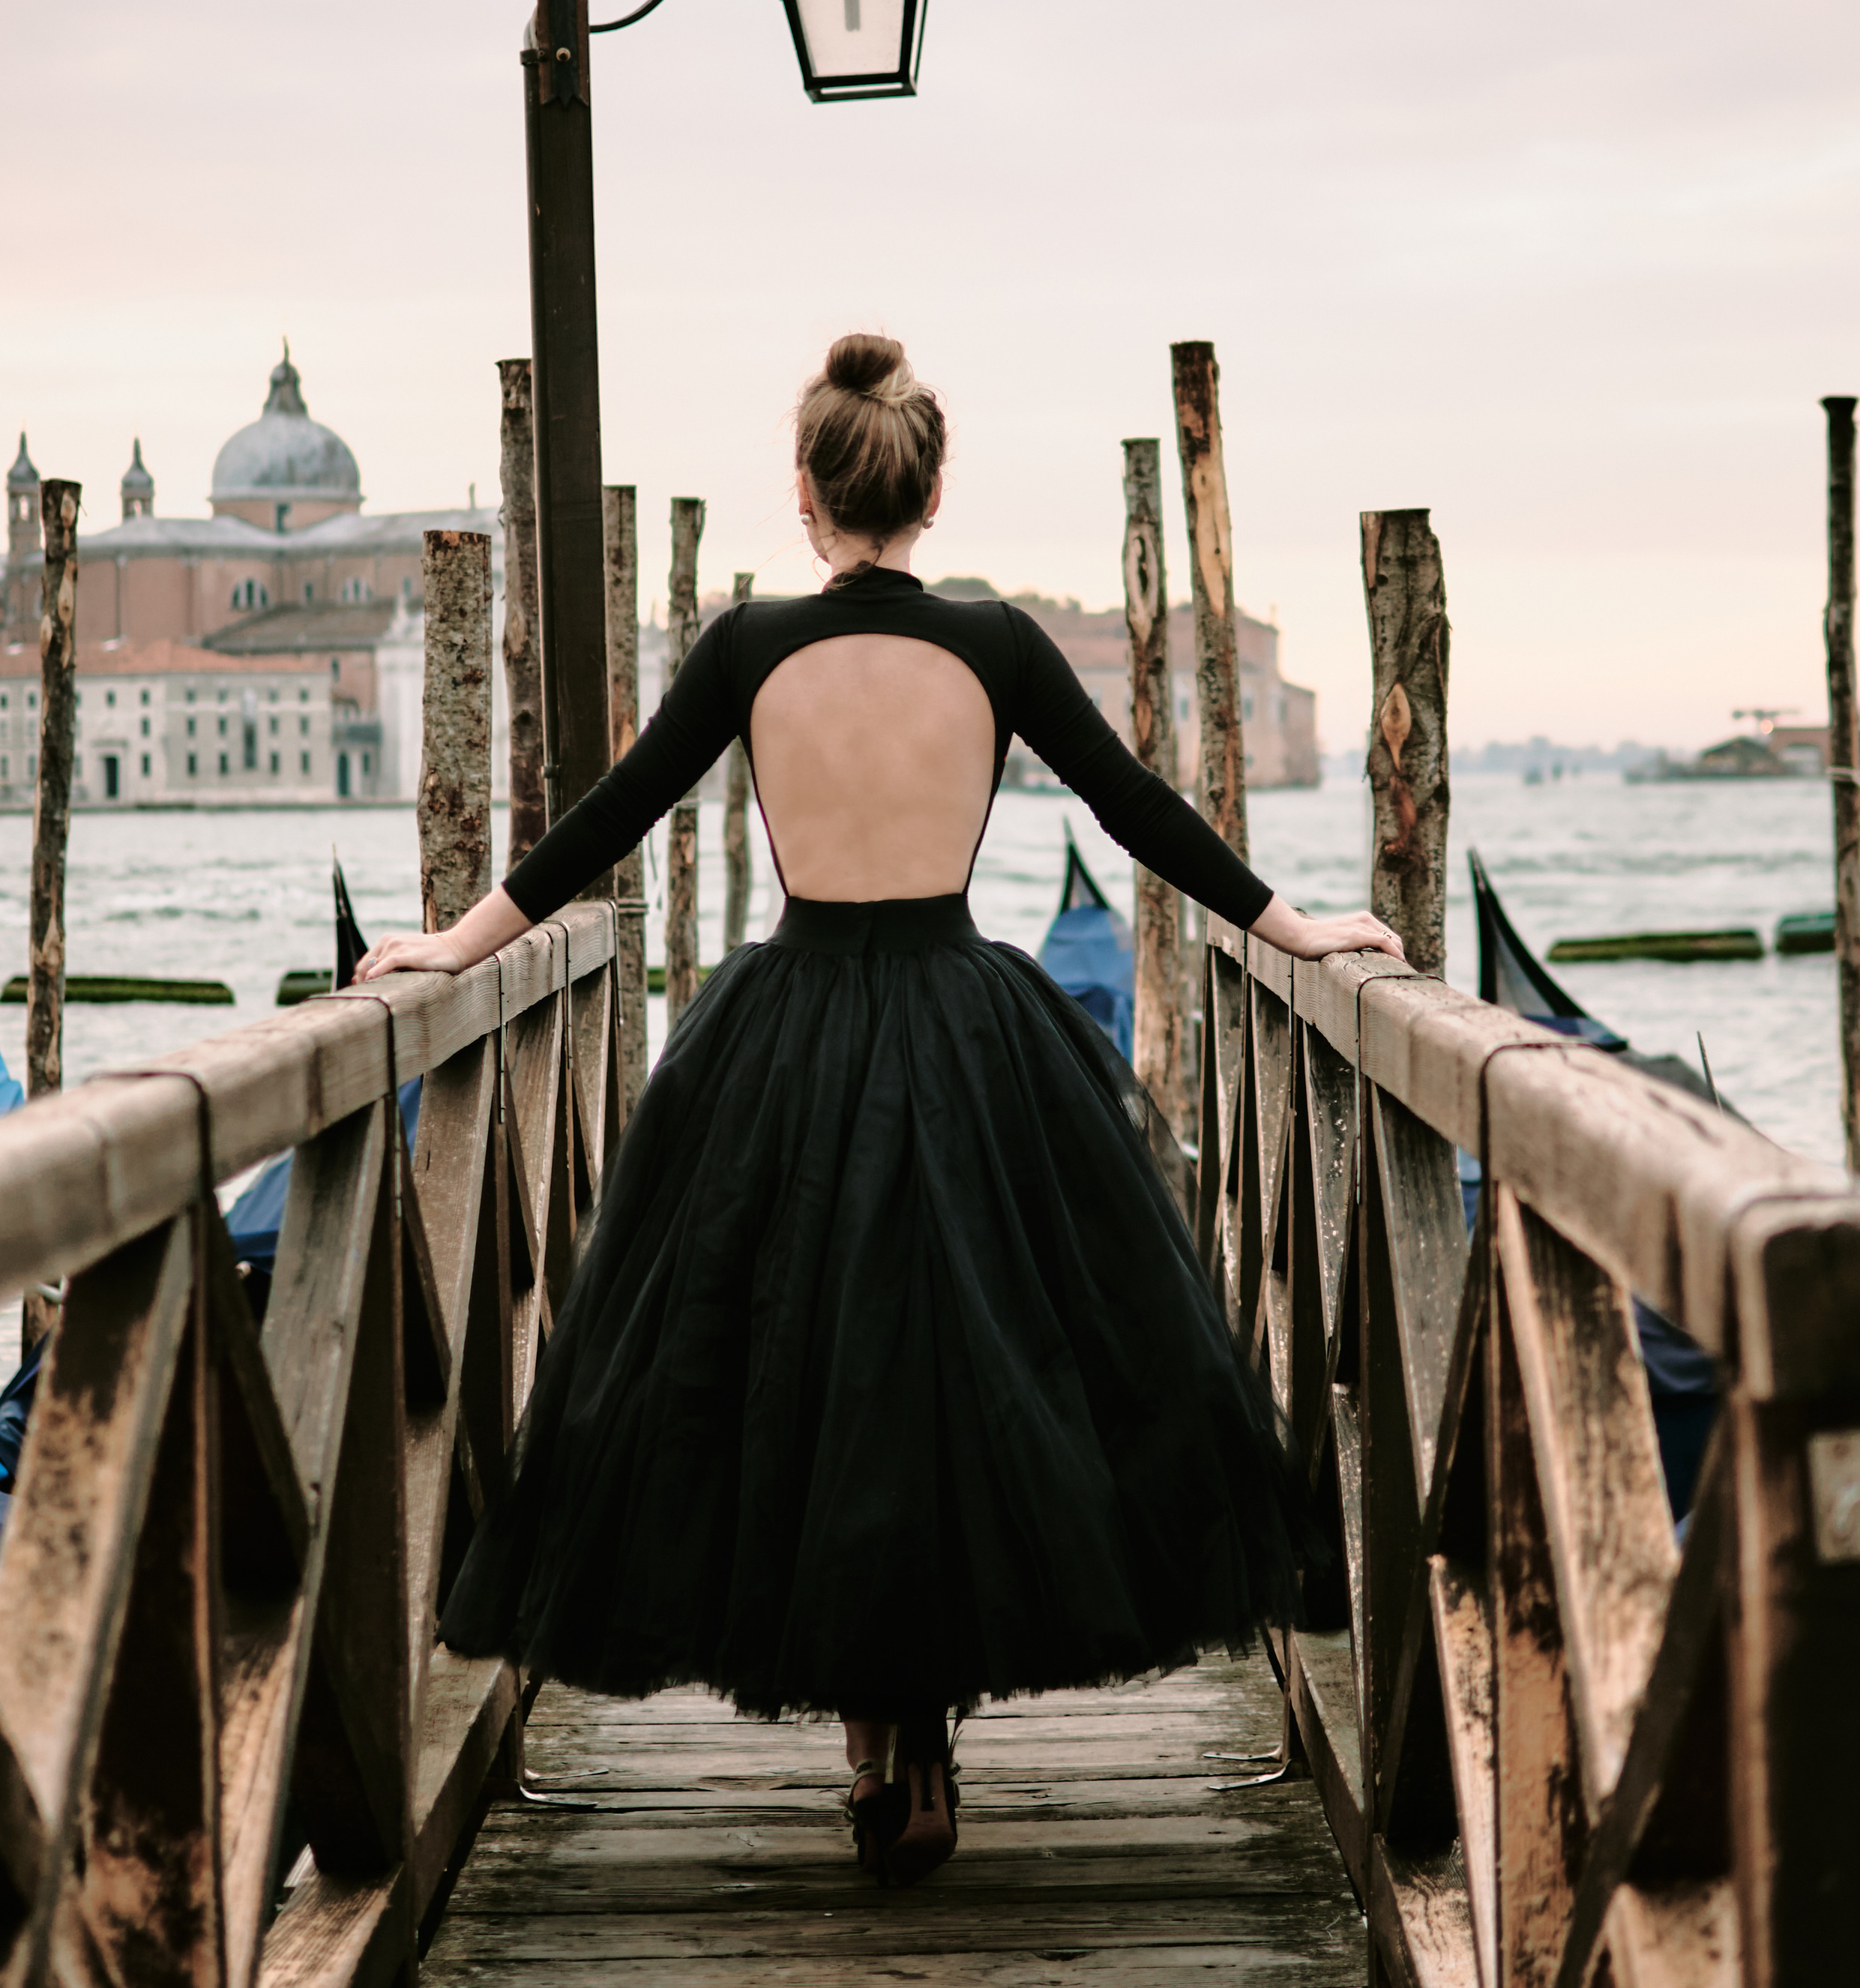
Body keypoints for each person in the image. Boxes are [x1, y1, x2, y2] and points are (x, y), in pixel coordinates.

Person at [358, 335, 1402, 1887]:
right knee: (963, 1370)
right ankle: (925, 1728)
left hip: (786, 1033)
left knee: (808, 1376)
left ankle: (870, 1730)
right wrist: (1291, 926)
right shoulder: (994, 646)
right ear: (927, 491)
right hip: (970, 1026)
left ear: (805, 497)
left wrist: (451, 946)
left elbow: (607, 822)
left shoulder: (744, 646)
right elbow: (1135, 809)